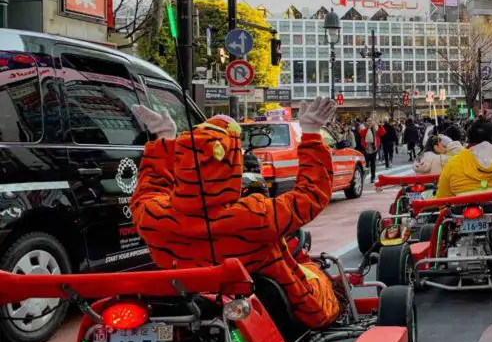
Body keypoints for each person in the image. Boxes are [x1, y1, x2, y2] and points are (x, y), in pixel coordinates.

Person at [130, 98, 342, 328]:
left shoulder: (154, 216)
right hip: (263, 311)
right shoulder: (254, 216)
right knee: (316, 277)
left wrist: (164, 139)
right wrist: (310, 133)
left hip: (189, 307)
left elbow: (150, 187)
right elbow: (312, 193)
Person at [358, 118, 380, 183]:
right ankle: (363, 177)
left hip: (374, 148)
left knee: (373, 164)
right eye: (368, 121)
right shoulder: (364, 129)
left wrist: (380, 126)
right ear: (366, 122)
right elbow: (361, 134)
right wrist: (367, 128)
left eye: (371, 121)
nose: (369, 122)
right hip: (366, 148)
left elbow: (382, 133)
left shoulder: (376, 129)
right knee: (366, 164)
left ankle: (372, 178)